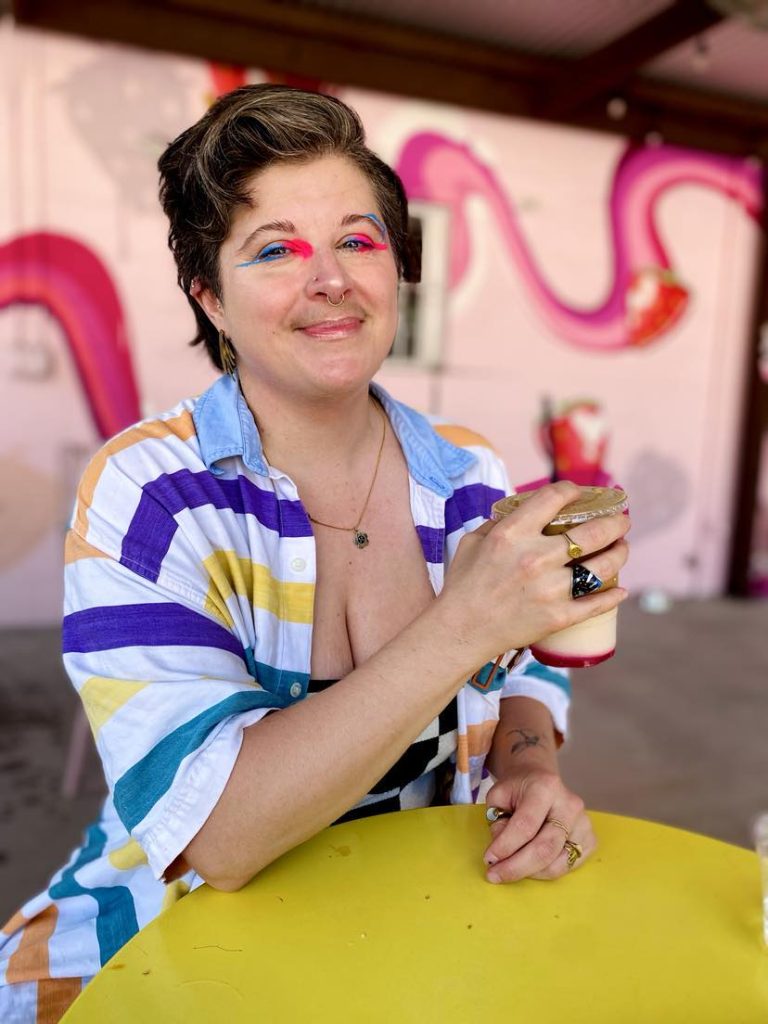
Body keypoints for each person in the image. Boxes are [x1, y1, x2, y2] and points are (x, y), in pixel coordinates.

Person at [0, 85, 630, 1021]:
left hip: (407, 929)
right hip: (160, 944)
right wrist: (464, 619)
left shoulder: (465, 473)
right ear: (209, 296)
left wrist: (527, 764)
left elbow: (527, 658)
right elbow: (219, 840)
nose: (330, 278)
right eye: (275, 249)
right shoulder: (151, 493)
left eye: (358, 239)